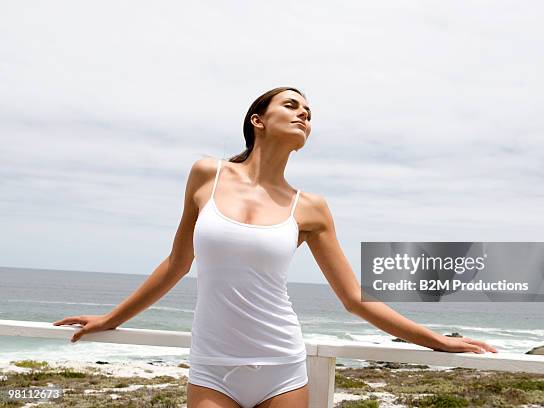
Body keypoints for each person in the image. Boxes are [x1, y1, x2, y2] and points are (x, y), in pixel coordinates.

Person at [53, 86, 497, 408]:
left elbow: (353, 299)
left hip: (281, 366)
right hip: (212, 365)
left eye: (309, 111)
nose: (304, 114)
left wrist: (439, 341)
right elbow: (176, 263)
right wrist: (111, 319)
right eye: (292, 105)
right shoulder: (208, 174)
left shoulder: (312, 208)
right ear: (258, 120)